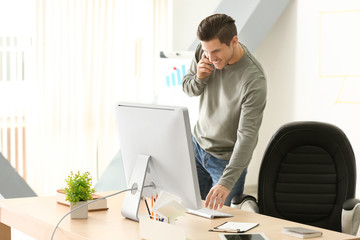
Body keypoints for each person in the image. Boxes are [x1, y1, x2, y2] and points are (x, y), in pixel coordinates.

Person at [182, 14, 267, 210]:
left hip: (225, 162)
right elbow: (188, 88)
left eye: (216, 52)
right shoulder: (204, 53)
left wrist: (226, 182)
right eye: (206, 51)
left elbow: (247, 137)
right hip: (197, 148)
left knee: (221, 223)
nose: (210, 58)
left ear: (234, 41)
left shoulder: (254, 80)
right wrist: (199, 77)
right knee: (188, 215)